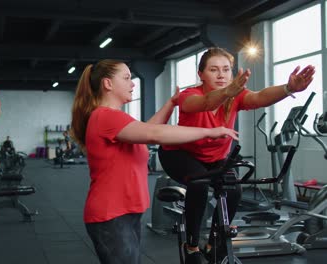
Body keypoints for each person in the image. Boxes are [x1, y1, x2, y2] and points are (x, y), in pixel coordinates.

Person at [70, 59, 243, 264]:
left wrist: (172, 103)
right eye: (126, 78)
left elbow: (147, 129)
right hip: (111, 214)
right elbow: (155, 134)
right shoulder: (106, 116)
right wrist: (210, 132)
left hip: (124, 212)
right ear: (107, 84)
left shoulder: (116, 119)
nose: (132, 84)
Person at [158, 47, 315, 264]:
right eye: (214, 70)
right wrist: (228, 91)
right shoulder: (189, 95)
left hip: (215, 157)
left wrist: (288, 88)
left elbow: (259, 97)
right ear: (200, 74)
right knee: (199, 184)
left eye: (226, 69)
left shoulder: (236, 96)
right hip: (179, 153)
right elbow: (206, 103)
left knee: (233, 190)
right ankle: (191, 245)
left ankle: (215, 241)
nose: (221, 75)